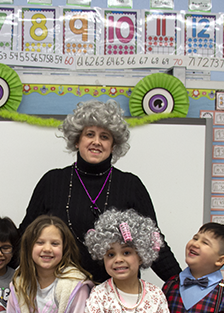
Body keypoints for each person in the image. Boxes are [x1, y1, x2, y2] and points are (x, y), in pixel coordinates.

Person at [20, 100, 180, 283]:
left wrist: (182, 286)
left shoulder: (131, 185)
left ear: (113, 145)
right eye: (90, 134)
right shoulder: (52, 181)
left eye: (104, 137)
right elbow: (26, 236)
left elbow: (153, 241)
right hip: (63, 293)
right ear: (76, 141)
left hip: (119, 294)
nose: (96, 142)